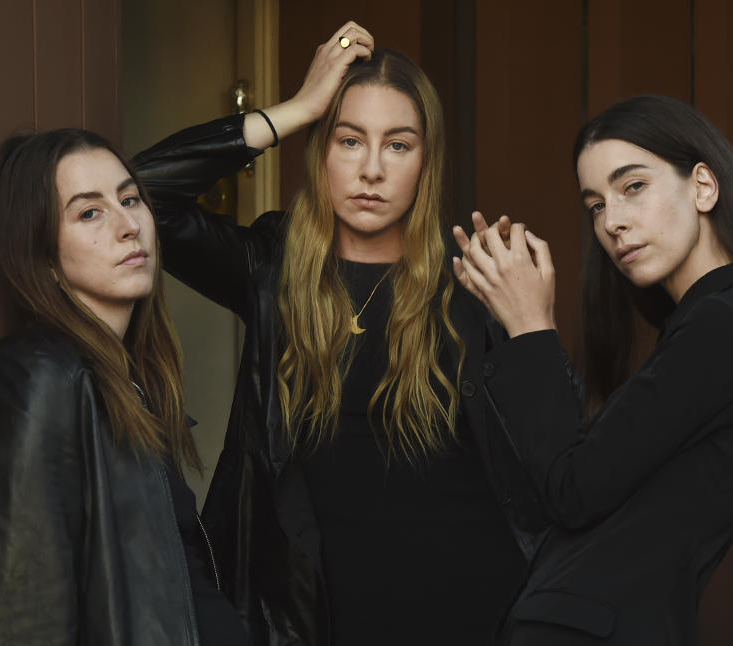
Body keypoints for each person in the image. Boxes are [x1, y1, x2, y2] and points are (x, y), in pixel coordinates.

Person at [134, 30, 546, 646]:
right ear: (320, 150)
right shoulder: (272, 269)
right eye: (349, 140)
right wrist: (297, 108)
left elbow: (552, 465)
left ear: (427, 162)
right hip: (318, 616)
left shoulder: (475, 279)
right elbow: (143, 194)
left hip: (471, 608)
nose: (372, 170)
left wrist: (536, 326)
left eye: (398, 145)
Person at [453, 94, 733, 645]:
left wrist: (529, 325)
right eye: (595, 205)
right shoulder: (715, 324)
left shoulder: (731, 325)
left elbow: (573, 490)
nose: (613, 222)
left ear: (703, 186)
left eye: (633, 187)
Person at [0, 128, 247, 646]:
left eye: (130, 199)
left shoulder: (129, 378)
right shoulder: (40, 375)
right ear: (45, 257)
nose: (128, 226)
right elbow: (20, 622)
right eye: (88, 212)